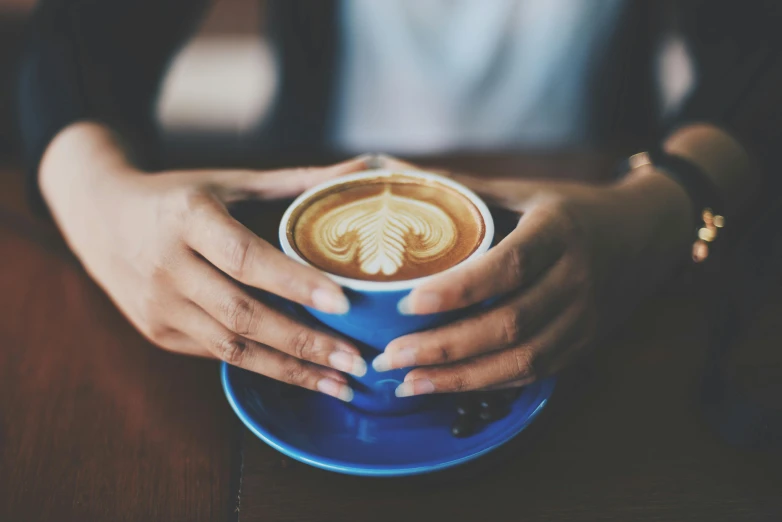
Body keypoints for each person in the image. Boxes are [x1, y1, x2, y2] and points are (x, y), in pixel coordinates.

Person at [15, 0, 782, 402]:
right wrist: (95, 196)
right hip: (311, 190)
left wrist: (670, 204)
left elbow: (763, 52)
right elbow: (71, 40)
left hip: (594, 225)